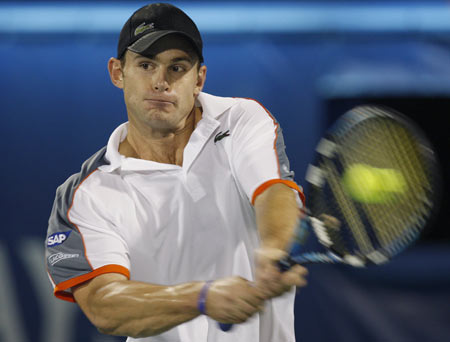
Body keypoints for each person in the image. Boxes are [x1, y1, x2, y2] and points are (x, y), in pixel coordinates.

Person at [45, 3, 308, 342]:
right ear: (117, 73)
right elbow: (103, 305)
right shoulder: (85, 195)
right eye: (145, 65)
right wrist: (201, 298)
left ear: (199, 79)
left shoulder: (240, 120)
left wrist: (273, 248)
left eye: (177, 67)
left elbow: (274, 190)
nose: (160, 82)